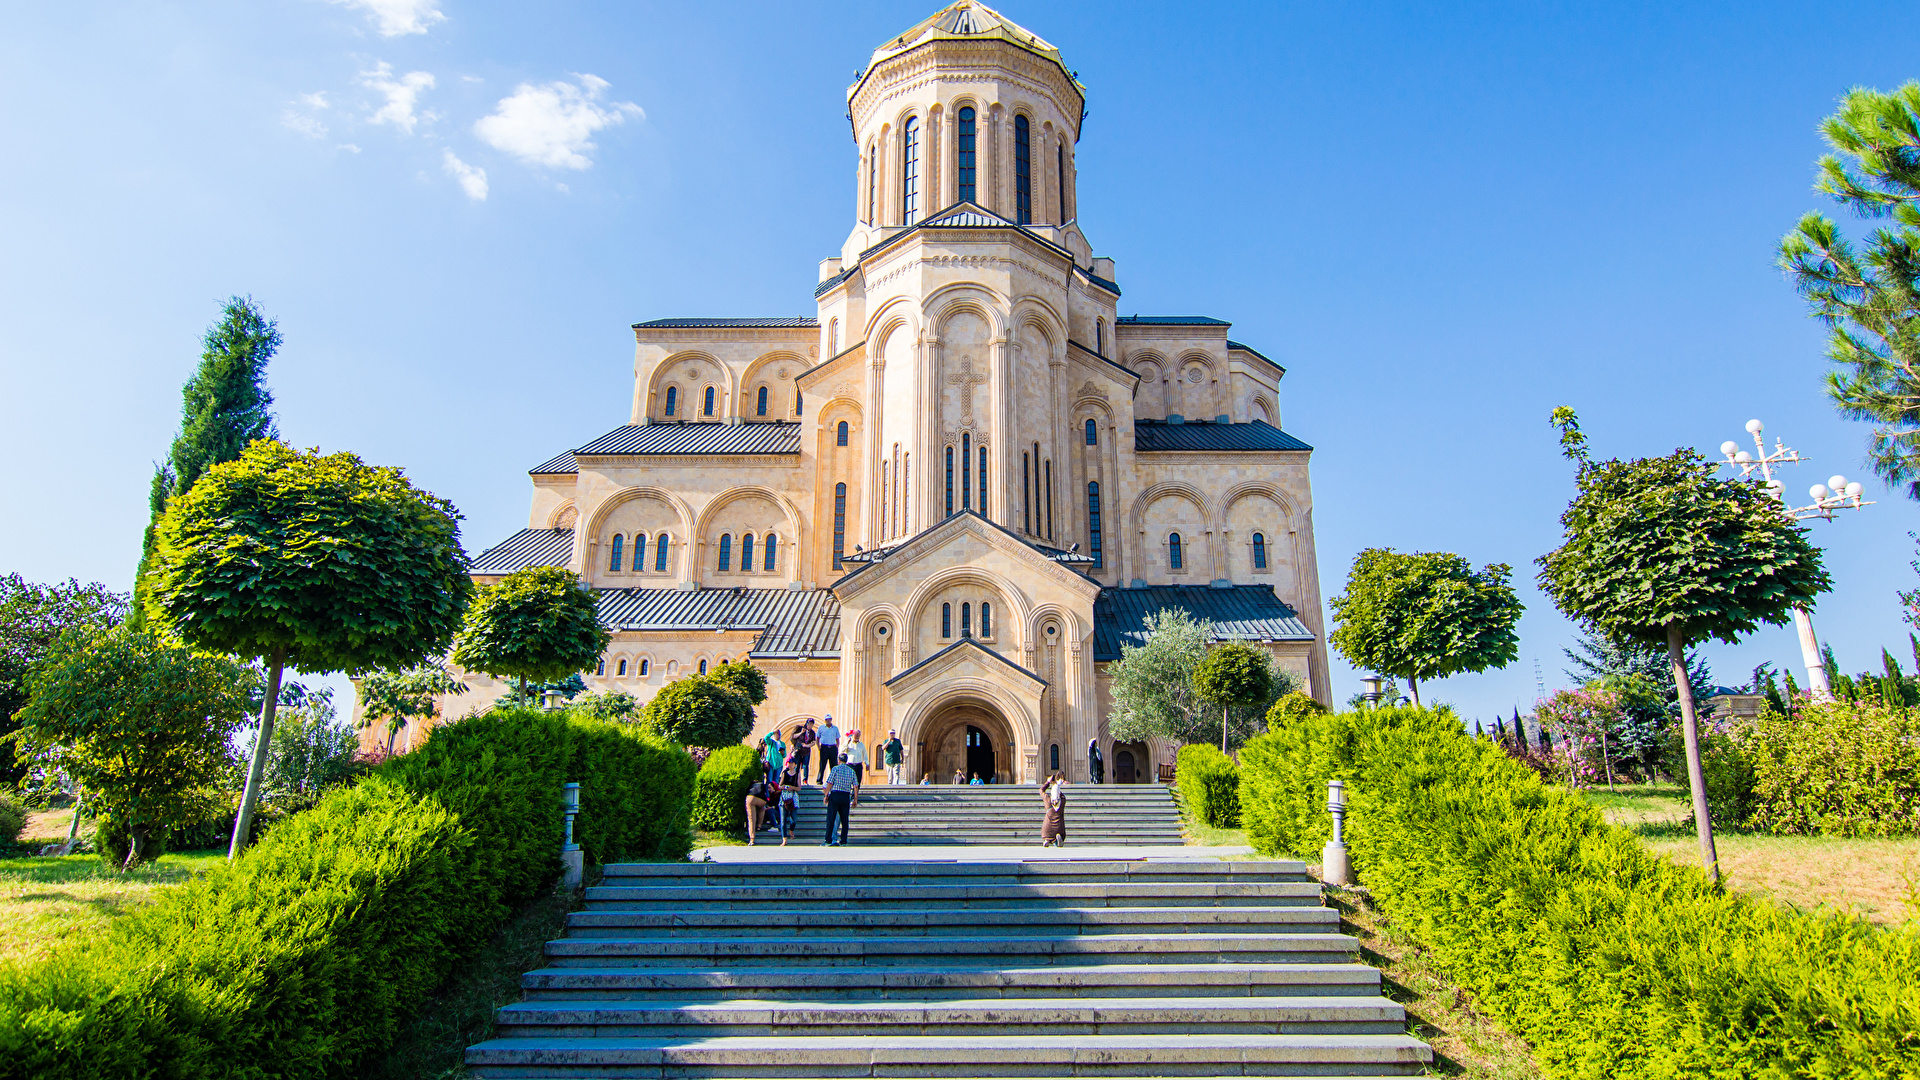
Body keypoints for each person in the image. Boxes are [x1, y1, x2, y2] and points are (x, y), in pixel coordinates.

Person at [822, 755, 860, 845]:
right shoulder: (851, 771)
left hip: (835, 794)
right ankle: (843, 840)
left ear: (839, 760)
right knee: (844, 820)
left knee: (831, 818)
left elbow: (830, 782)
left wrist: (826, 794)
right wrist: (855, 799)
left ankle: (828, 840)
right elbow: (855, 786)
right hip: (845, 796)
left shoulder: (835, 769)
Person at [1041, 771, 1068, 847]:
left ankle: (1046, 840)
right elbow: (1063, 797)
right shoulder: (1062, 802)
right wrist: (1059, 787)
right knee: (1059, 831)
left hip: (1047, 830)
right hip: (1059, 828)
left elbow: (1041, 791)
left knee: (1047, 831)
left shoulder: (1047, 800)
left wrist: (1048, 783)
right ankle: (1056, 841)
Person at [744, 776, 771, 845]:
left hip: (750, 798)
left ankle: (752, 839)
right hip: (761, 799)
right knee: (761, 809)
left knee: (751, 819)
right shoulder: (761, 784)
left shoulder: (750, 786)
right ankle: (759, 826)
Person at [815, 715, 841, 784]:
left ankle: (834, 780)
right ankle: (819, 780)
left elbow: (837, 738)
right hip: (824, 747)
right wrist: (819, 746)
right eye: (826, 720)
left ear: (831, 719)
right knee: (822, 765)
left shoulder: (835, 728)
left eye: (829, 719)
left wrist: (837, 747)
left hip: (832, 747)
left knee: (833, 765)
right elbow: (817, 738)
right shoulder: (821, 728)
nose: (827, 721)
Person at [791, 720, 817, 786]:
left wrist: (807, 745)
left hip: (806, 751)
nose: (810, 726)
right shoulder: (800, 729)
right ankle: (795, 780)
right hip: (798, 750)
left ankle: (805, 780)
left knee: (805, 766)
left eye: (812, 724)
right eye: (809, 724)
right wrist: (801, 732)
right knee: (797, 766)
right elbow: (793, 736)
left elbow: (814, 742)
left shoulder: (812, 733)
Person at [777, 771, 800, 846]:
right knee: (783, 821)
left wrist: (792, 788)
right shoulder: (784, 773)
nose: (790, 765)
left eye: (792, 763)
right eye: (789, 763)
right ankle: (784, 839)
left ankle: (791, 830)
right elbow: (779, 786)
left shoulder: (797, 774)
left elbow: (799, 788)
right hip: (784, 798)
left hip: (793, 798)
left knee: (794, 820)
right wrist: (782, 787)